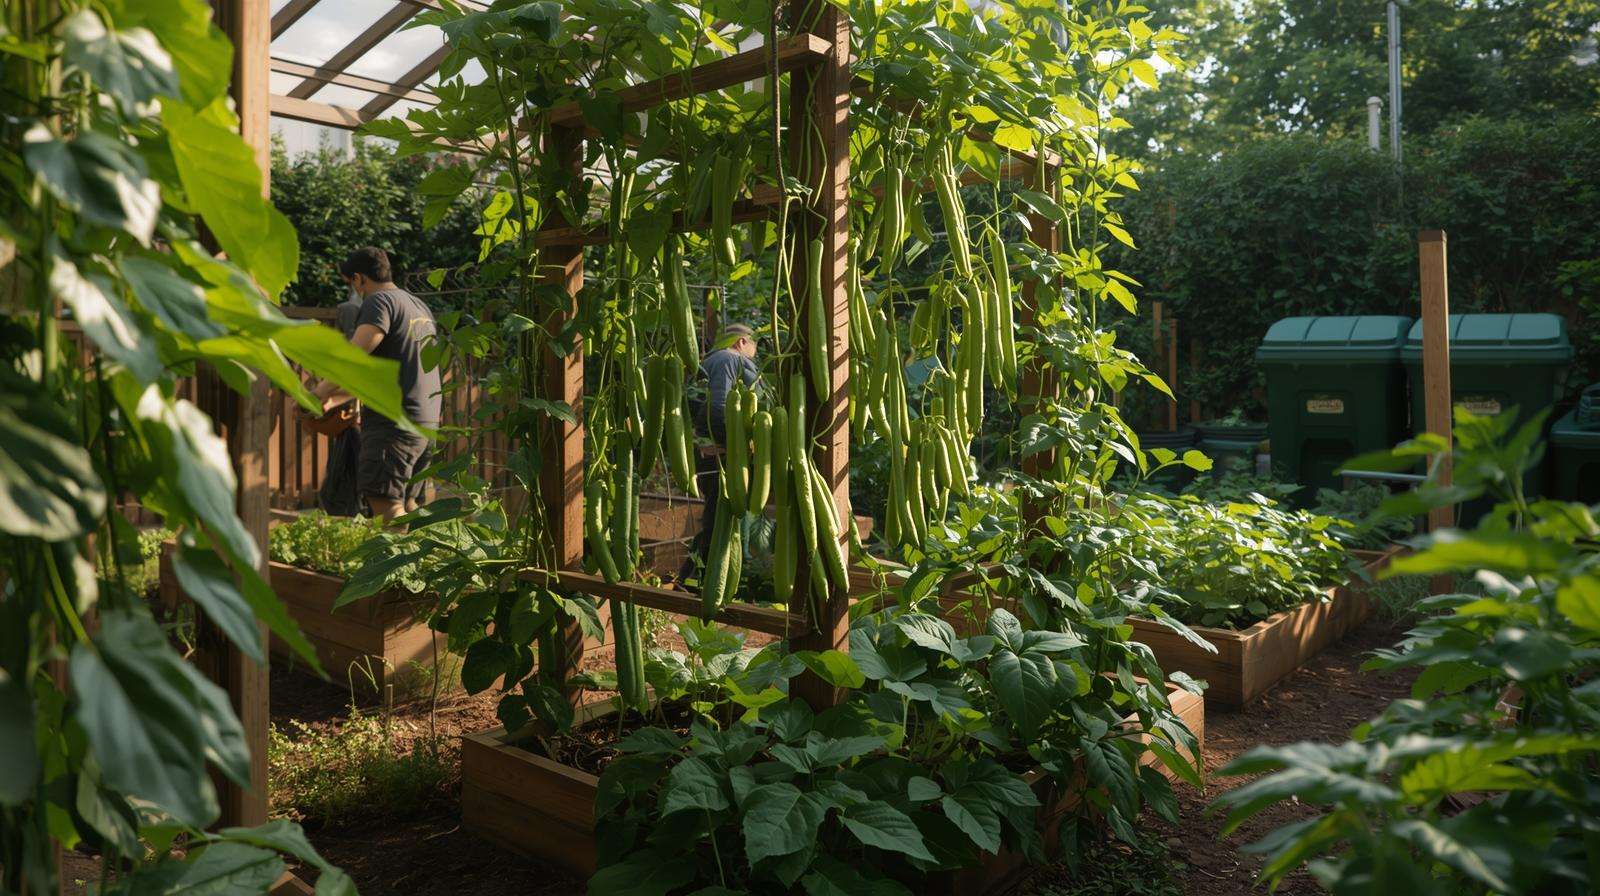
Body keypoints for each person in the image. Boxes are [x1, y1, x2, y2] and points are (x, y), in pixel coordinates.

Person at [311, 247, 441, 522]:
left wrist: (316, 393)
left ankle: (394, 566)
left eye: (350, 283)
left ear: (359, 279)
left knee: (386, 507)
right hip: (425, 424)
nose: (354, 290)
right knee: (409, 505)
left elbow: (354, 358)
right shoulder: (418, 306)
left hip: (393, 426)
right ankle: (422, 565)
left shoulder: (379, 302)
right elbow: (392, 371)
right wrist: (334, 399)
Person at [682, 323, 760, 582]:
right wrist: (732, 444)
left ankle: (701, 580)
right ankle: (694, 581)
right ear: (741, 342)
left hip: (711, 452)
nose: (754, 355)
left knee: (718, 519)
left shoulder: (710, 362)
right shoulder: (729, 358)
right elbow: (718, 406)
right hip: (721, 454)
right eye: (754, 347)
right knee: (718, 522)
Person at [315, 289, 366, 517]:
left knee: (350, 471)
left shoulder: (359, 345)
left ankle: (352, 506)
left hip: (355, 422)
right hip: (351, 421)